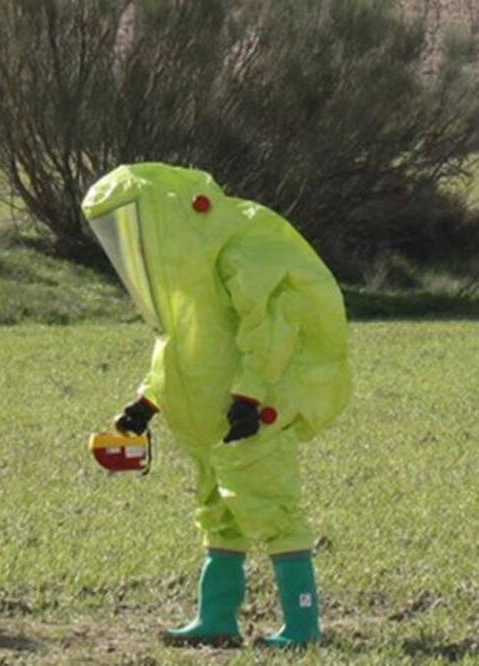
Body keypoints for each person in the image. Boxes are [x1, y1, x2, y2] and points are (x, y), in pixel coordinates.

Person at [82, 163, 351, 648]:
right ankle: (217, 619)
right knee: (218, 515)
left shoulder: (234, 256)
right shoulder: (182, 295)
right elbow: (179, 354)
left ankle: (303, 626)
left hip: (251, 418)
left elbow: (268, 333)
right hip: (208, 425)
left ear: (161, 222)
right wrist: (147, 404)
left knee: (275, 511)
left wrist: (249, 397)